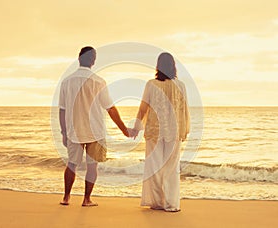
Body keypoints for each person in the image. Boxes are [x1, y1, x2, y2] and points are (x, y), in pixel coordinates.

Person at [59, 46, 133, 206]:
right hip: (96, 131)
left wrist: (63, 132)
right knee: (92, 166)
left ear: (79, 59)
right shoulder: (98, 81)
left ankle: (66, 197)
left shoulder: (66, 82)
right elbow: (110, 108)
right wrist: (123, 129)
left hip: (74, 130)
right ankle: (86, 199)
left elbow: (62, 110)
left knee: (72, 164)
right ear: (93, 61)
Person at [133, 52, 190, 212]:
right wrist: (184, 130)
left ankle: (157, 202)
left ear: (158, 66)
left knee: (155, 166)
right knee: (172, 167)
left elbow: (143, 108)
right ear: (173, 66)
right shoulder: (181, 85)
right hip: (173, 131)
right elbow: (184, 110)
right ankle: (171, 204)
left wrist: (136, 127)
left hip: (154, 131)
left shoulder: (151, 84)